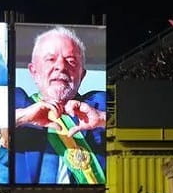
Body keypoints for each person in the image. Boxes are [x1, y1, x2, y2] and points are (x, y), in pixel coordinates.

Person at [14, 26, 106, 184]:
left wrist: (103, 119)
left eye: (71, 61)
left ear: (81, 75)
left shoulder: (99, 103)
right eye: (50, 59)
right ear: (33, 71)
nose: (61, 67)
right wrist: (22, 117)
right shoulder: (16, 102)